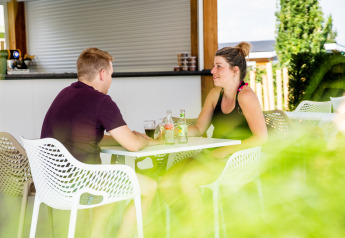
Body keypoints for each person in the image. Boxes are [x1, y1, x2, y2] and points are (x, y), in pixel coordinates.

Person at [41, 48, 160, 238]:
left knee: (110, 188)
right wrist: (143, 141)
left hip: (51, 184)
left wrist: (124, 136)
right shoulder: (101, 101)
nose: (111, 80)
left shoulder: (63, 94)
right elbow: (134, 146)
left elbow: (85, 137)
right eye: (111, 75)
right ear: (102, 74)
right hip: (82, 185)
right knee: (150, 187)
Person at [159, 42, 267, 237]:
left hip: (236, 159)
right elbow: (199, 128)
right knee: (165, 182)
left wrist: (224, 151)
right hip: (213, 156)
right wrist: (176, 132)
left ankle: (202, 233)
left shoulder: (246, 96)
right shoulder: (215, 94)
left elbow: (261, 137)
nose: (212, 71)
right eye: (214, 65)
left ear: (235, 71)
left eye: (219, 66)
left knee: (186, 181)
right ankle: (192, 227)